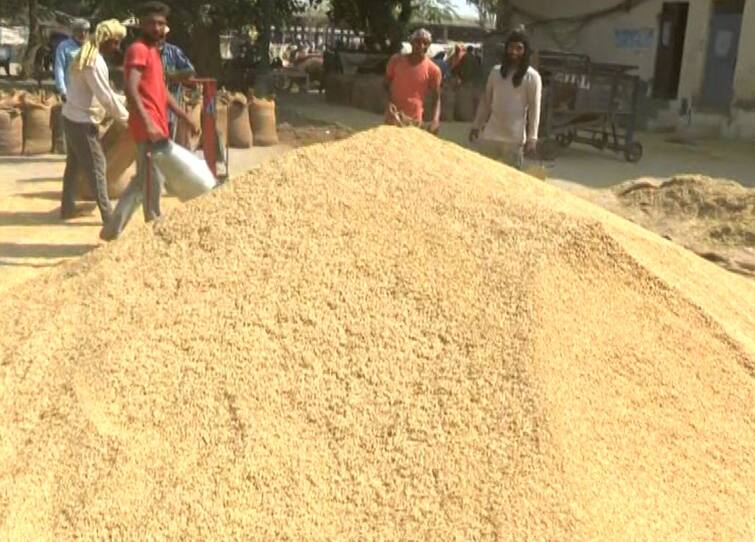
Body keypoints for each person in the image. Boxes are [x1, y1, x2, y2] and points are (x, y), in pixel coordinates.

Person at [100, 1, 198, 242]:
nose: (156, 27)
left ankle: (112, 231)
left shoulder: (155, 51)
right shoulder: (138, 50)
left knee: (144, 181)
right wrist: (148, 123)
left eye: (161, 24)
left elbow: (162, 92)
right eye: (152, 23)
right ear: (141, 24)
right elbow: (131, 89)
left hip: (157, 125)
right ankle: (154, 228)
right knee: (152, 180)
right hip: (148, 128)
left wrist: (185, 117)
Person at [59, 20, 129, 222]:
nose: (117, 47)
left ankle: (67, 208)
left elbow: (104, 94)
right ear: (105, 40)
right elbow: (105, 97)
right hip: (82, 123)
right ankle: (108, 216)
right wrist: (126, 118)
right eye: (115, 43)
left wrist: (125, 100)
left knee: (73, 165)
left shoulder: (88, 56)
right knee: (98, 167)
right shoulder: (93, 62)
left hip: (71, 118)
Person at [469, 30, 542, 170]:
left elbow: (534, 108)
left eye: (518, 48)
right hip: (491, 136)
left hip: (514, 140)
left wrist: (533, 138)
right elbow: (486, 102)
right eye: (511, 47)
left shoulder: (532, 77)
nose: (513, 52)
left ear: (525, 51)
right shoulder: (495, 72)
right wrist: (476, 125)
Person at [384, 28, 442, 133]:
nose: (421, 46)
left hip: (414, 122)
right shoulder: (396, 61)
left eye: (425, 43)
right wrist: (389, 103)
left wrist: (435, 120)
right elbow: (385, 85)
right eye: (418, 42)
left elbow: (436, 98)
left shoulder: (433, 70)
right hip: (393, 118)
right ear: (411, 42)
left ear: (429, 46)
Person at [159, 26, 195, 138]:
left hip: (171, 102)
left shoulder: (173, 51)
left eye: (161, 36)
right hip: (151, 104)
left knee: (167, 136)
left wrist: (172, 74)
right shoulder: (145, 52)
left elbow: (190, 70)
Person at [54, 19, 90, 101]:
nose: (83, 34)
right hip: (70, 92)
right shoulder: (64, 46)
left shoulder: (91, 47)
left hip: (89, 93)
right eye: (80, 31)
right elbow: (59, 68)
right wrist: (63, 90)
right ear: (73, 32)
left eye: (86, 31)